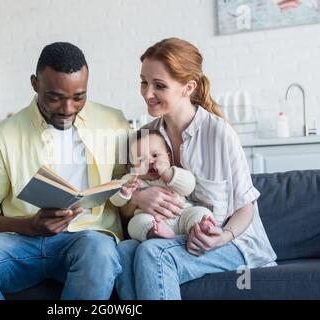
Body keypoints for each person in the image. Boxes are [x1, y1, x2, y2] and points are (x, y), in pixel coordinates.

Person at [0, 42, 130, 300]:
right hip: (20, 240)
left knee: (101, 253)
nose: (68, 109)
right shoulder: (4, 135)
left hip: (87, 239)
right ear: (35, 83)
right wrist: (28, 226)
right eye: (55, 98)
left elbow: (127, 182)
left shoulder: (113, 122)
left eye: (78, 97)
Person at [115, 38, 277, 300]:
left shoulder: (218, 133)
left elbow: (246, 206)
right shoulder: (146, 137)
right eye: (144, 82)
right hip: (178, 232)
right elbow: (125, 199)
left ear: (187, 87)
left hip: (234, 242)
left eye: (159, 86)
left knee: (154, 253)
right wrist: (136, 197)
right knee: (123, 252)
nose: (147, 93)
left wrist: (222, 237)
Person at [110, 129, 216, 241]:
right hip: (152, 220)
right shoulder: (131, 180)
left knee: (201, 212)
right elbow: (114, 199)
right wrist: (124, 193)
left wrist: (167, 174)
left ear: (168, 157)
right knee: (135, 224)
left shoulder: (174, 173)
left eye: (155, 155)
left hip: (182, 216)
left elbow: (189, 186)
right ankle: (154, 233)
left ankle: (200, 228)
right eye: (140, 160)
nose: (150, 161)